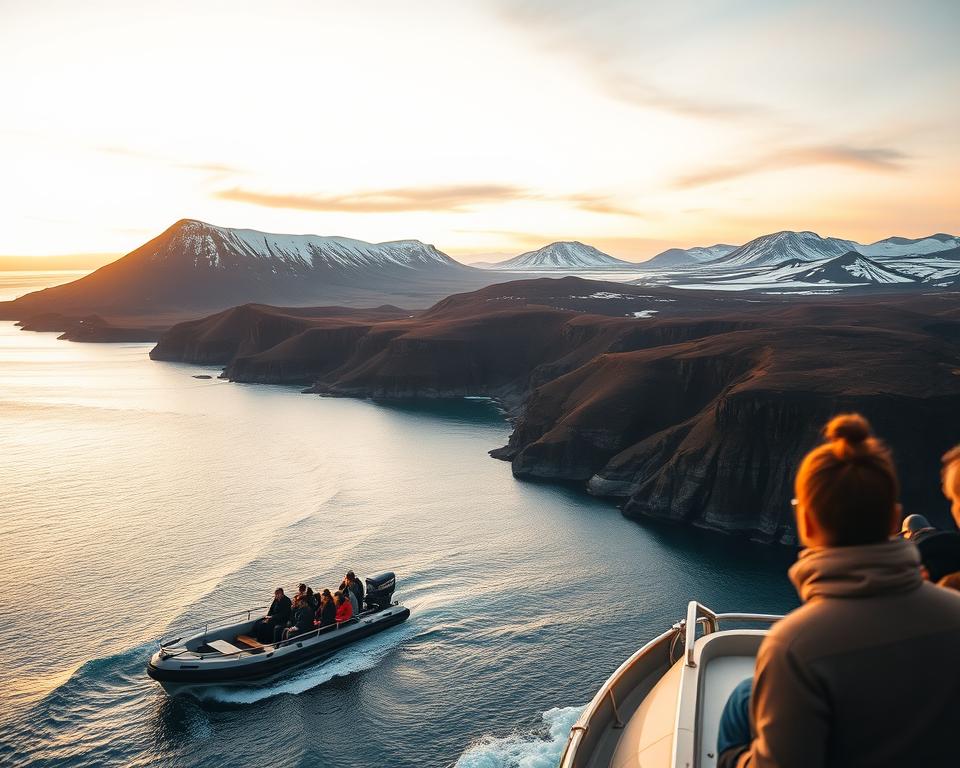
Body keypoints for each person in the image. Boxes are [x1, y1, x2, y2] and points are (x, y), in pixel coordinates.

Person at [717, 414, 960, 768]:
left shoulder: (794, 647)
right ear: (895, 520)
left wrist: (733, 760)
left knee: (742, 702)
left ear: (806, 523)